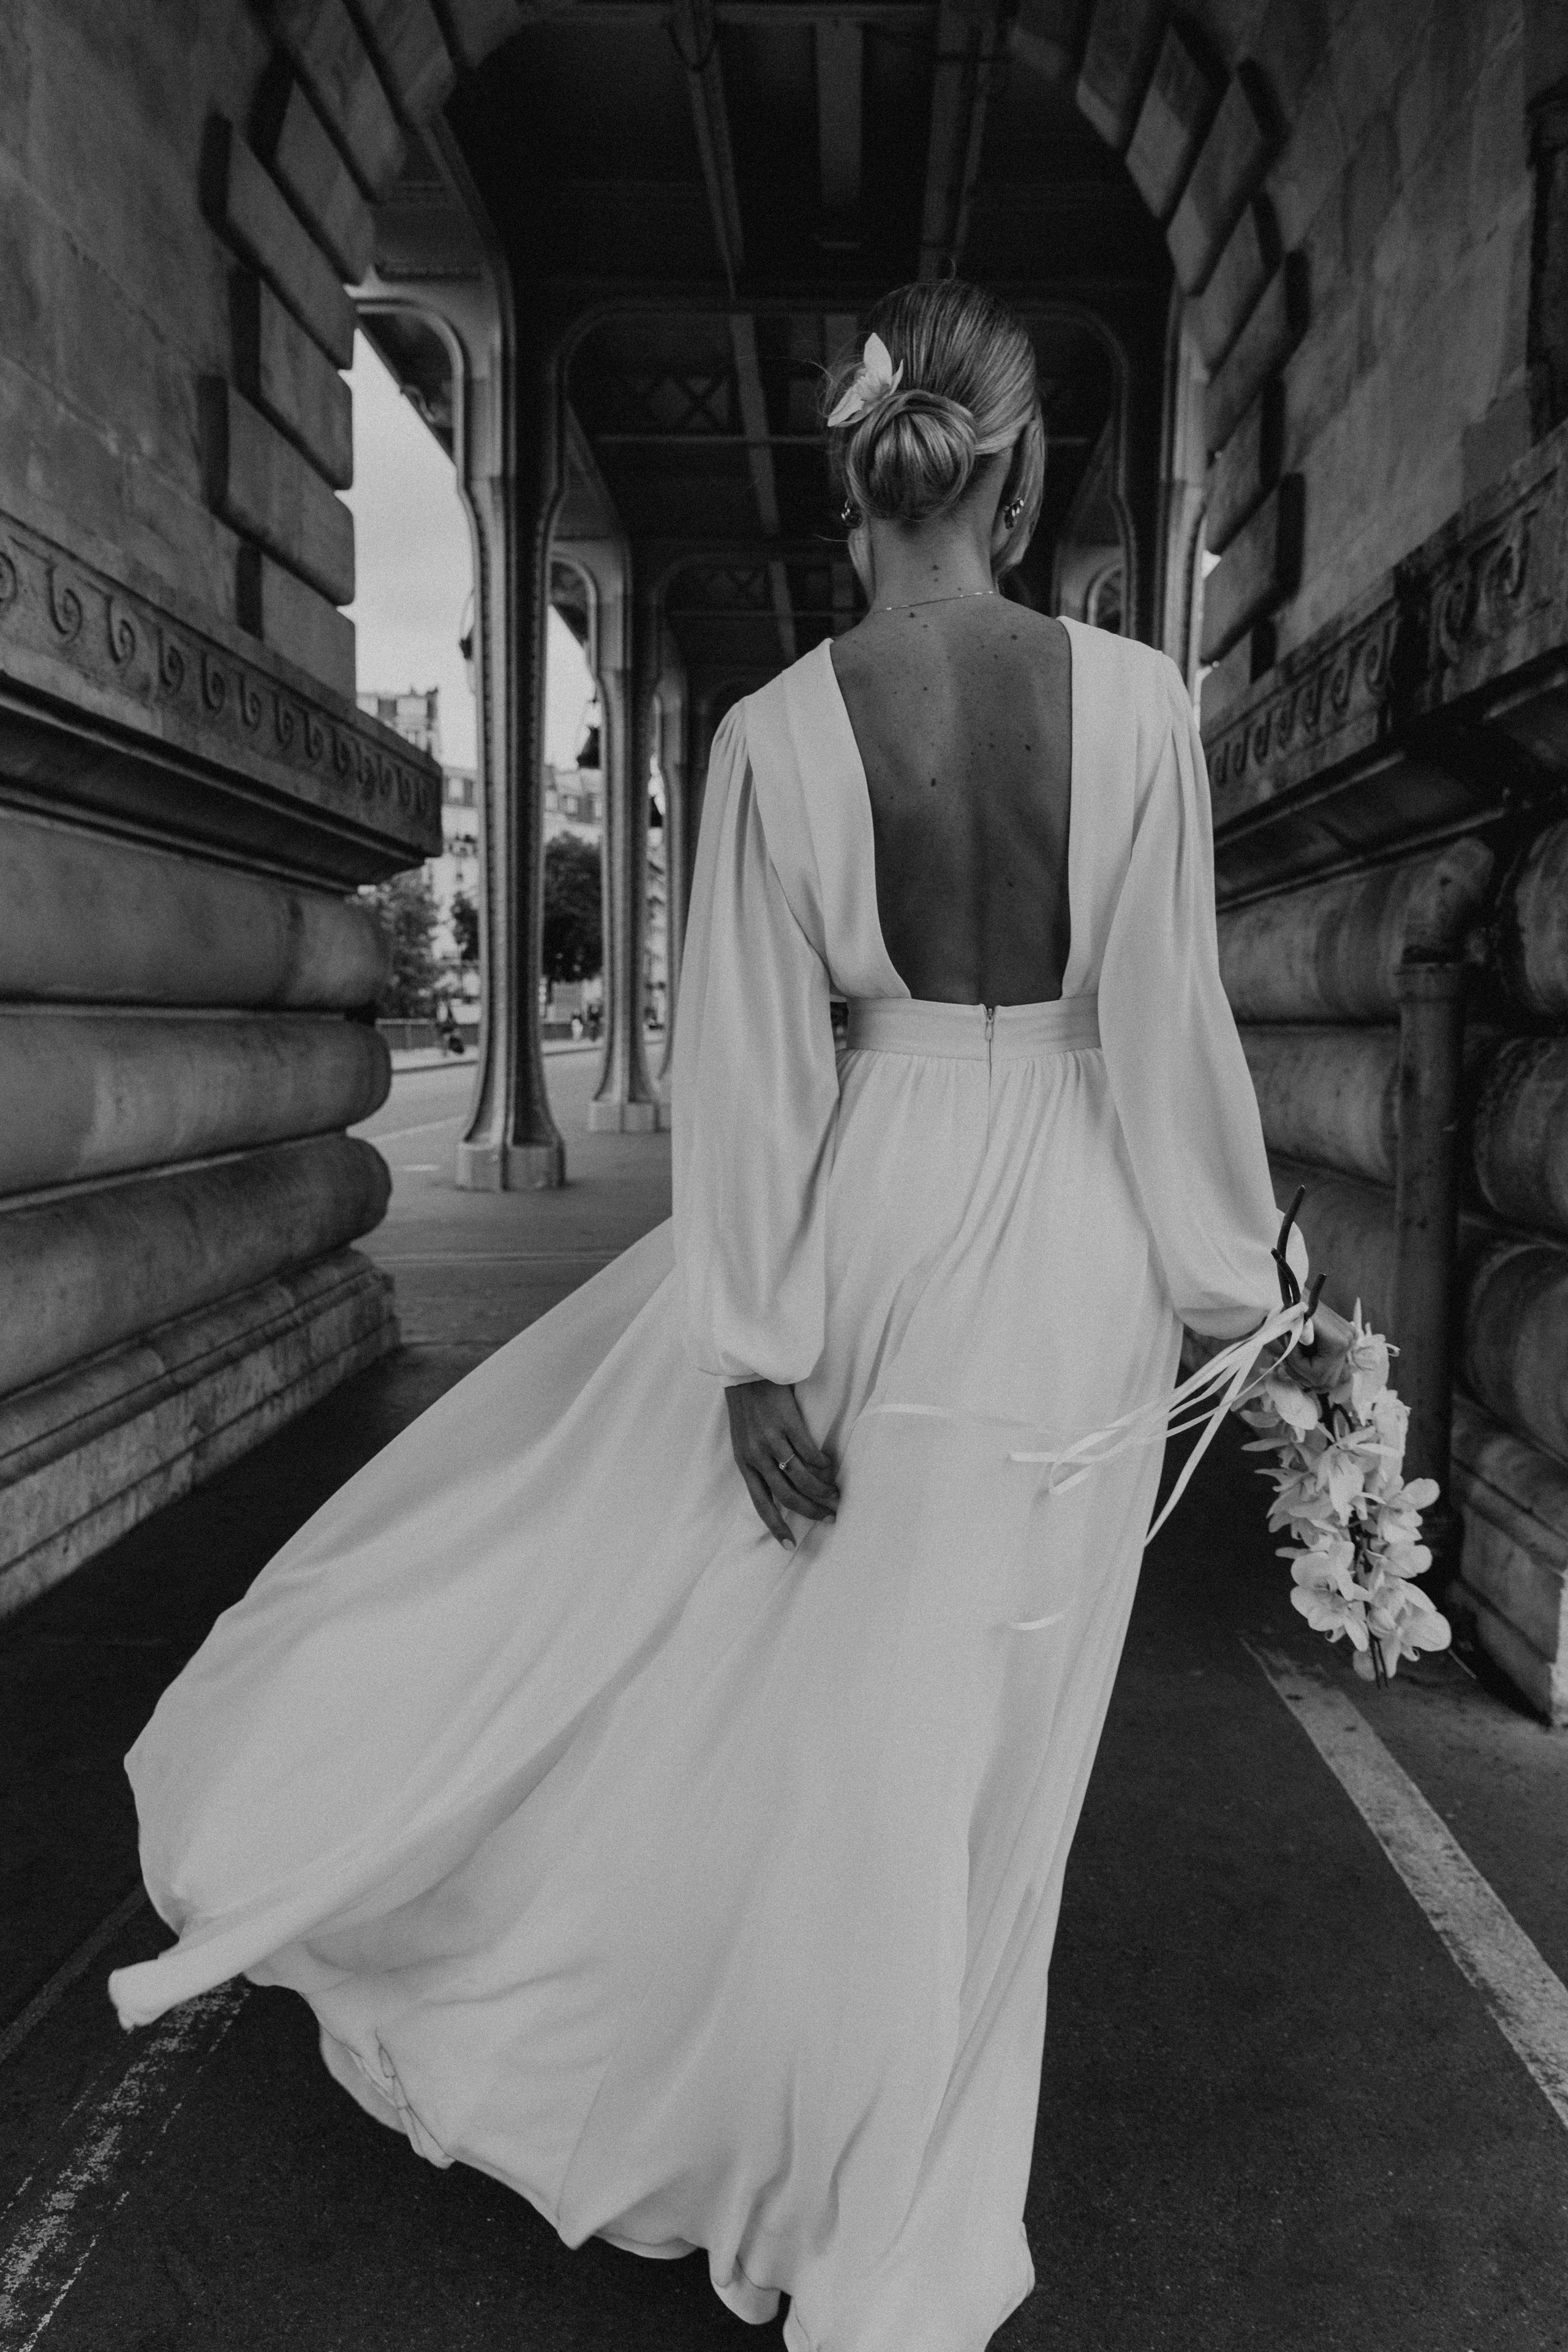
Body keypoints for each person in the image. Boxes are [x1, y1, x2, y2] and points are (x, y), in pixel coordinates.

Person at [110, 281, 1345, 2351]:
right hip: (1072, 1243)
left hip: (873, 1211)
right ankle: (913, 2179)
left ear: (856, 477)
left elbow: (759, 1069)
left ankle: (813, 2120)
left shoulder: (774, 737)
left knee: (852, 1702)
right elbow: (1167, 1035)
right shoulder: (1139, 707)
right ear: (1022, 475)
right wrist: (1249, 1285)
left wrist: (760, 1337)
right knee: (997, 1736)